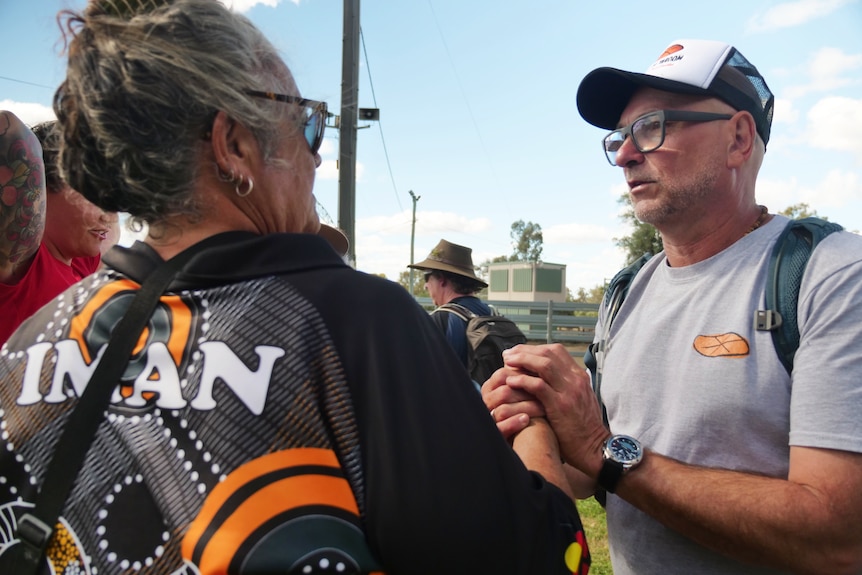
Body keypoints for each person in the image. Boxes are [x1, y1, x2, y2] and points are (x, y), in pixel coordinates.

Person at [0, 2, 591, 574]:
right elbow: (538, 559)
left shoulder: (35, 339)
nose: (318, 155)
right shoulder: (355, 326)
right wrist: (533, 423)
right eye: (310, 122)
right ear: (233, 144)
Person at [484, 39, 862, 574]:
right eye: (620, 136)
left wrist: (602, 449)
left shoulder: (832, 275)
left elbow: (839, 537)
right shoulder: (625, 292)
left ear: (738, 138)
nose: (624, 155)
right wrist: (523, 432)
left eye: (652, 127)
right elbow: (591, 477)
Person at [0, 116, 119, 344]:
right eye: (92, 193)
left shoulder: (84, 263)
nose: (108, 215)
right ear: (41, 190)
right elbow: (7, 128)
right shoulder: (21, 263)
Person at [408, 239, 492, 369]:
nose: (426, 286)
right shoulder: (492, 313)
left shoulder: (440, 320)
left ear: (441, 279)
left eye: (426, 277)